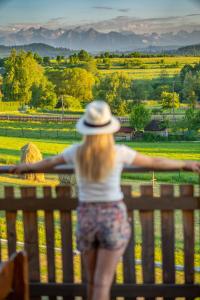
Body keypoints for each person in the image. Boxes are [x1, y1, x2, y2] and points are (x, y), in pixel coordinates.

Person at [11, 101, 200, 300]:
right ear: (109, 127)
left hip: (87, 218)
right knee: (102, 282)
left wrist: (25, 167)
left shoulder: (76, 151)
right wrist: (184, 164)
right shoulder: (118, 152)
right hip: (113, 218)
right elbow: (155, 162)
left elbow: (49, 163)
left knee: (92, 280)